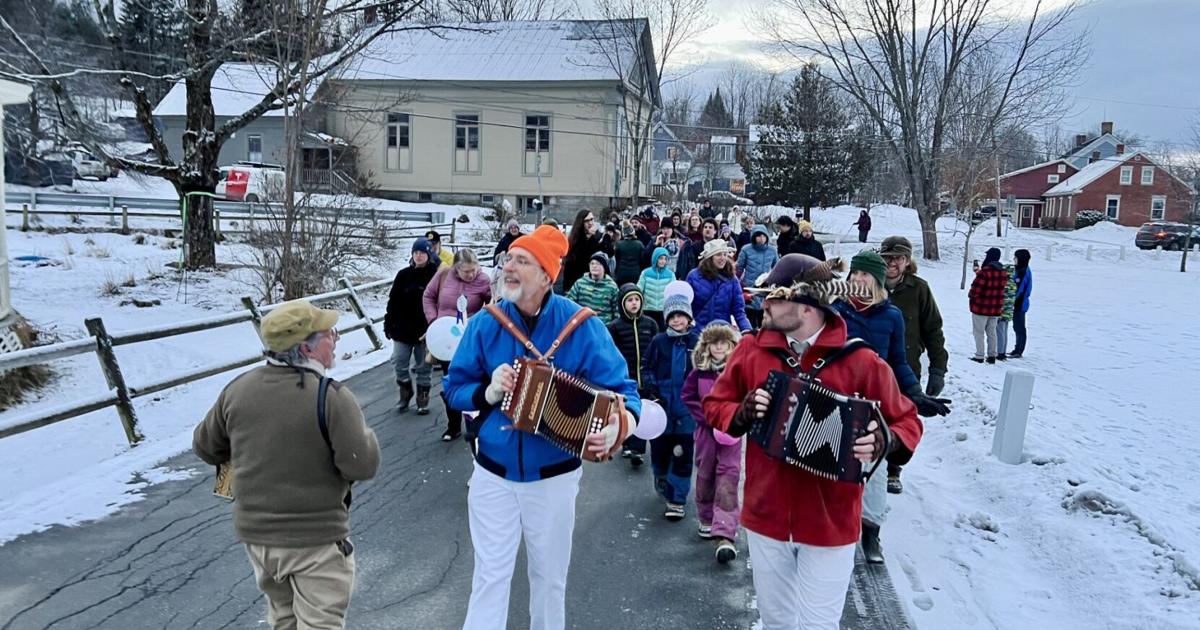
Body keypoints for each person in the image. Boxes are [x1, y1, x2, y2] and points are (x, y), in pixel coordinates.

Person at [703, 254, 923, 630]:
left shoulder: (861, 360)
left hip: (830, 522)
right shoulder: (751, 349)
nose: (763, 303)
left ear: (807, 306)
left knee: (819, 626)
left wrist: (882, 441)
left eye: (774, 297)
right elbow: (715, 404)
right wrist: (740, 414)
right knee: (776, 623)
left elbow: (907, 421)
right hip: (765, 517)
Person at [444, 225, 639, 630]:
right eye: (508, 259)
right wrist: (487, 392)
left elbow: (625, 392)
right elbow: (454, 388)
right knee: (488, 578)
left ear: (547, 275)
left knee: (549, 581)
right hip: (492, 475)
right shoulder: (486, 323)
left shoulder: (581, 326)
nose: (508, 267)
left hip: (554, 478)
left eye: (522, 261)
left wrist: (620, 424)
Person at [193, 300, 380, 630]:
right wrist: (364, 434)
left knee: (283, 619)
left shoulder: (238, 389)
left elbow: (206, 447)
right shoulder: (331, 397)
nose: (335, 338)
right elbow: (361, 466)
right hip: (315, 540)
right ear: (306, 348)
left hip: (258, 539)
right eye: (328, 333)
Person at [831, 250, 949, 563]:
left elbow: (898, 361)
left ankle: (871, 534)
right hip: (838, 397)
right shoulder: (837, 310)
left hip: (875, 401)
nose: (857, 280)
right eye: (854, 274)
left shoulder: (891, 315)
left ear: (877, 280)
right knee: (832, 467)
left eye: (864, 275)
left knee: (875, 469)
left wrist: (914, 393)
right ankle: (831, 529)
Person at [878, 236, 949, 495]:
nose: (891, 263)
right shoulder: (870, 284)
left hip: (905, 367)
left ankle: (893, 469)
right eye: (886, 257)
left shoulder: (919, 289)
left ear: (907, 261)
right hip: (872, 365)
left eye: (897, 258)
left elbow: (933, 329)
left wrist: (938, 368)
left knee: (900, 417)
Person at [681, 322, 743, 564]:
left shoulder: (737, 372)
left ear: (731, 346)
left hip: (731, 432)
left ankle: (725, 531)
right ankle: (707, 518)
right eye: (714, 343)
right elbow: (688, 396)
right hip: (706, 433)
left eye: (724, 343)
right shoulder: (699, 373)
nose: (719, 347)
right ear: (707, 346)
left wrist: (736, 417)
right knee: (706, 474)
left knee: (729, 476)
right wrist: (706, 417)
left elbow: (746, 396)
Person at [424, 248, 493, 440]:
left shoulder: (483, 281)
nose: (471, 275)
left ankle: (475, 424)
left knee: (473, 381)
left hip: (470, 339)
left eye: (474, 270)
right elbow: (428, 297)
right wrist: (434, 322)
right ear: (456, 268)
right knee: (451, 381)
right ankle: (453, 425)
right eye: (466, 271)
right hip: (446, 340)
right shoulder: (444, 275)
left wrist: (481, 322)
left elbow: (493, 306)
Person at [643, 293, 699, 521]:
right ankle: (661, 474)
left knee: (684, 452)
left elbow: (704, 369)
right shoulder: (659, 341)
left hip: (687, 407)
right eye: (672, 317)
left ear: (688, 318)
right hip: (662, 405)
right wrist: (651, 388)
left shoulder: (696, 342)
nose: (677, 320)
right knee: (661, 448)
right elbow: (647, 367)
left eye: (681, 316)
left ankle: (677, 500)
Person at [384, 238, 441, 413]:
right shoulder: (403, 275)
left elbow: (442, 301)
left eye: (422, 253)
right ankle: (405, 390)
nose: (418, 256)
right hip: (402, 329)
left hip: (425, 330)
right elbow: (393, 301)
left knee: (423, 365)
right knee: (399, 361)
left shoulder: (435, 275)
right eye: (415, 253)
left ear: (428, 254)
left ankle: (423, 397)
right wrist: (389, 322)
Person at [607, 283, 658, 467]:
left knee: (641, 412)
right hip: (625, 378)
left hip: (645, 377)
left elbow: (656, 349)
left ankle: (637, 449)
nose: (634, 303)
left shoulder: (650, 324)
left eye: (637, 299)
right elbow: (610, 353)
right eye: (629, 300)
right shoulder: (615, 327)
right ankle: (626, 443)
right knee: (626, 411)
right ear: (622, 303)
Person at [686, 239, 752, 333]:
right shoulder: (693, 276)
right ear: (709, 257)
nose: (723, 258)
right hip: (698, 332)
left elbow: (739, 311)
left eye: (725, 254)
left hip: (723, 334)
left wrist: (747, 331)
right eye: (718, 255)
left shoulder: (732, 279)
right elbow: (686, 307)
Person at [969, 247, 1008, 364]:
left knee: (979, 332)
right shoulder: (1003, 272)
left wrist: (971, 295)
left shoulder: (984, 273)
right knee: (992, 332)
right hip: (995, 308)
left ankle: (979, 355)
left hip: (981, 308)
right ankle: (992, 355)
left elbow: (976, 290)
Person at [736, 225, 778, 330]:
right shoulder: (746, 250)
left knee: (764, 321)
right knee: (749, 320)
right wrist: (737, 286)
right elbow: (739, 268)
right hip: (749, 288)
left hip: (765, 289)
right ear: (753, 237)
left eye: (763, 236)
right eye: (758, 236)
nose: (761, 239)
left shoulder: (772, 251)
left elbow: (777, 268)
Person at [564, 252, 619, 323]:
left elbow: (617, 312)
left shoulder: (612, 287)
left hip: (603, 326)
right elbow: (569, 303)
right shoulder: (580, 283)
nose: (594, 266)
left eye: (598, 264)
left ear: (604, 267)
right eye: (592, 263)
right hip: (582, 324)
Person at [561, 210, 604, 293]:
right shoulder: (574, 239)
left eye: (592, 219)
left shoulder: (597, 236)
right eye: (587, 221)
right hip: (575, 282)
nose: (590, 223)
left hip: (592, 282)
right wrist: (589, 237)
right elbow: (578, 258)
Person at [637, 246, 674, 331]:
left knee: (662, 332)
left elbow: (673, 292)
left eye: (665, 259)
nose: (663, 261)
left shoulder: (670, 275)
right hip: (648, 309)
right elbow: (639, 289)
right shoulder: (646, 273)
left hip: (663, 310)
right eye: (660, 258)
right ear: (655, 258)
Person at [1009, 248, 1033, 358]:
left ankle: (1019, 350)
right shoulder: (1019, 270)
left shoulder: (1023, 272)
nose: (1014, 259)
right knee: (1017, 326)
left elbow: (1020, 289)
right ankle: (1017, 349)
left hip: (1020, 304)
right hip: (1018, 303)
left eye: (1016, 257)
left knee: (1019, 327)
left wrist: (1012, 299)